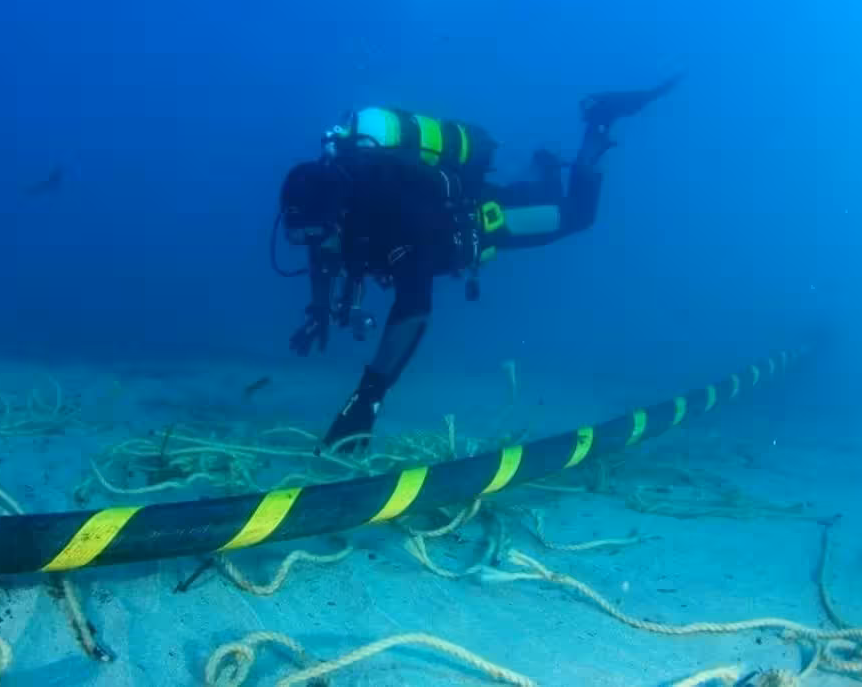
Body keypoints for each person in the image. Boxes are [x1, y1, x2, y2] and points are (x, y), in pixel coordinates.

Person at [272, 75, 681, 454]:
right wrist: (319, 308)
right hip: (451, 208)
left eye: (316, 233)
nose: (314, 244)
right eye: (300, 235)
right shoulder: (331, 212)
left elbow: (413, 311)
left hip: (484, 222)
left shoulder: (396, 220)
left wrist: (368, 396)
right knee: (526, 196)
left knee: (576, 215)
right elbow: (322, 253)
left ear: (341, 214)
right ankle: (542, 168)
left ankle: (600, 120)